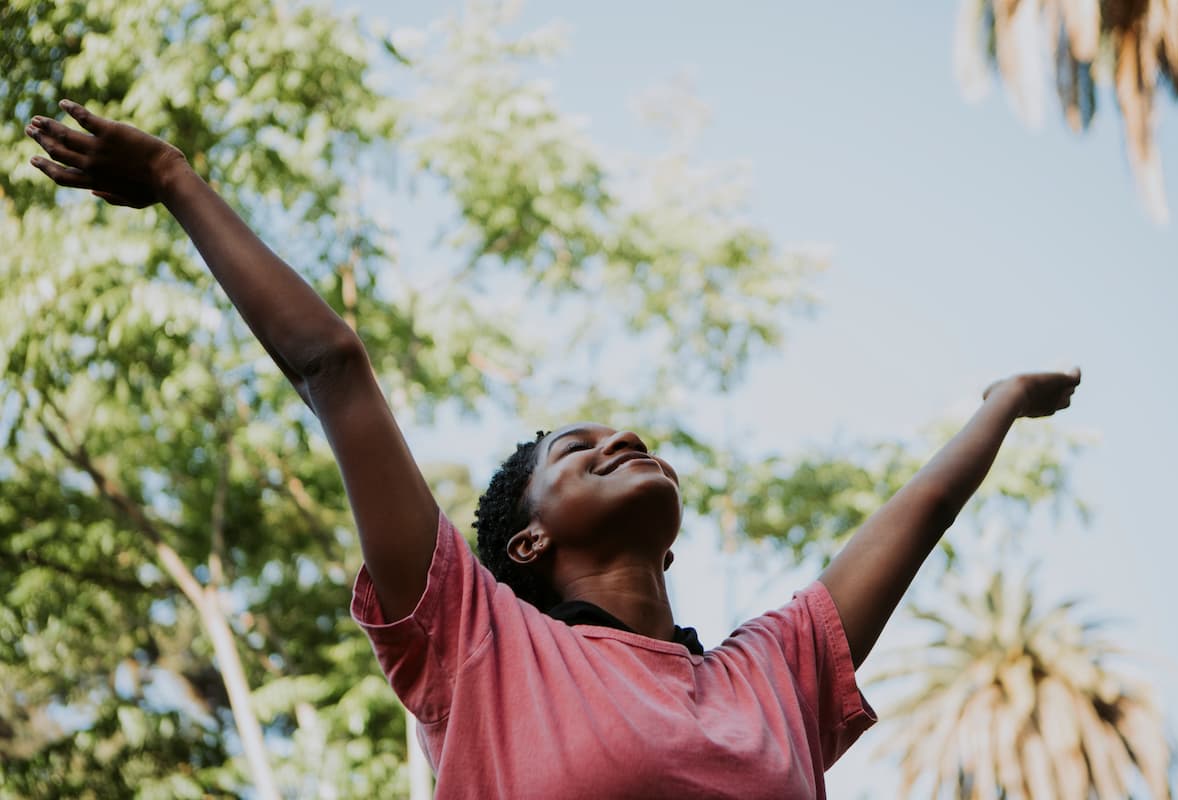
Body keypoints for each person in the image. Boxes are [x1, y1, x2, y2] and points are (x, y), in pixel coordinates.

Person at [26, 100, 1081, 799]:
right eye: (581, 449)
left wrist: (1000, 404)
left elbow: (925, 509)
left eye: (629, 437)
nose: (623, 439)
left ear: (672, 551)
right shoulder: (475, 638)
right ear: (524, 541)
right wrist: (172, 176)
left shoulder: (773, 673)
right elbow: (333, 366)